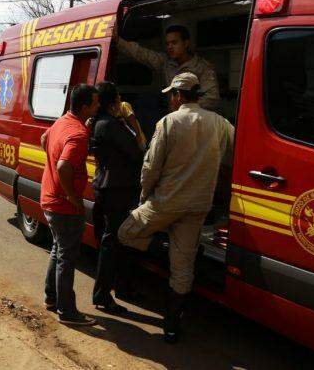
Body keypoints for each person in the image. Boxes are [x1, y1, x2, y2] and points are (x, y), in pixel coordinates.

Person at [117, 72, 233, 344]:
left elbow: (151, 165)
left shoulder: (169, 122)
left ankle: (164, 249)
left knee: (126, 233)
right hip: (199, 205)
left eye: (171, 94)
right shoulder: (220, 123)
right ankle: (171, 327)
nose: (170, 99)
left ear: (178, 95)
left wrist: (144, 195)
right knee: (183, 269)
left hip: (166, 202)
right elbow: (234, 152)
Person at [40, 84, 99, 326]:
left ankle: (52, 298)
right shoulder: (79, 134)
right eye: (95, 104)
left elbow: (45, 139)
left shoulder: (64, 121)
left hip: (49, 198)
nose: (97, 107)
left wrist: (52, 167)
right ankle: (67, 311)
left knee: (58, 250)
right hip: (63, 205)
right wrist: (73, 197)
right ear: (85, 107)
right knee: (66, 257)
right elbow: (64, 166)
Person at [90, 82, 144, 314]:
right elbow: (139, 149)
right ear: (113, 102)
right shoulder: (111, 125)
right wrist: (131, 121)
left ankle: (121, 287)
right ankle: (102, 295)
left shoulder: (99, 123)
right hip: (117, 190)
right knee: (112, 243)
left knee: (114, 241)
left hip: (108, 187)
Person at [117, 25, 220, 111]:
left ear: (186, 43)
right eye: (167, 44)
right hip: (174, 119)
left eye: (174, 43)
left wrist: (184, 107)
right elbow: (142, 54)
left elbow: (212, 99)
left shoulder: (203, 67)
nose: (170, 47)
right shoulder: (166, 62)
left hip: (197, 119)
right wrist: (118, 41)